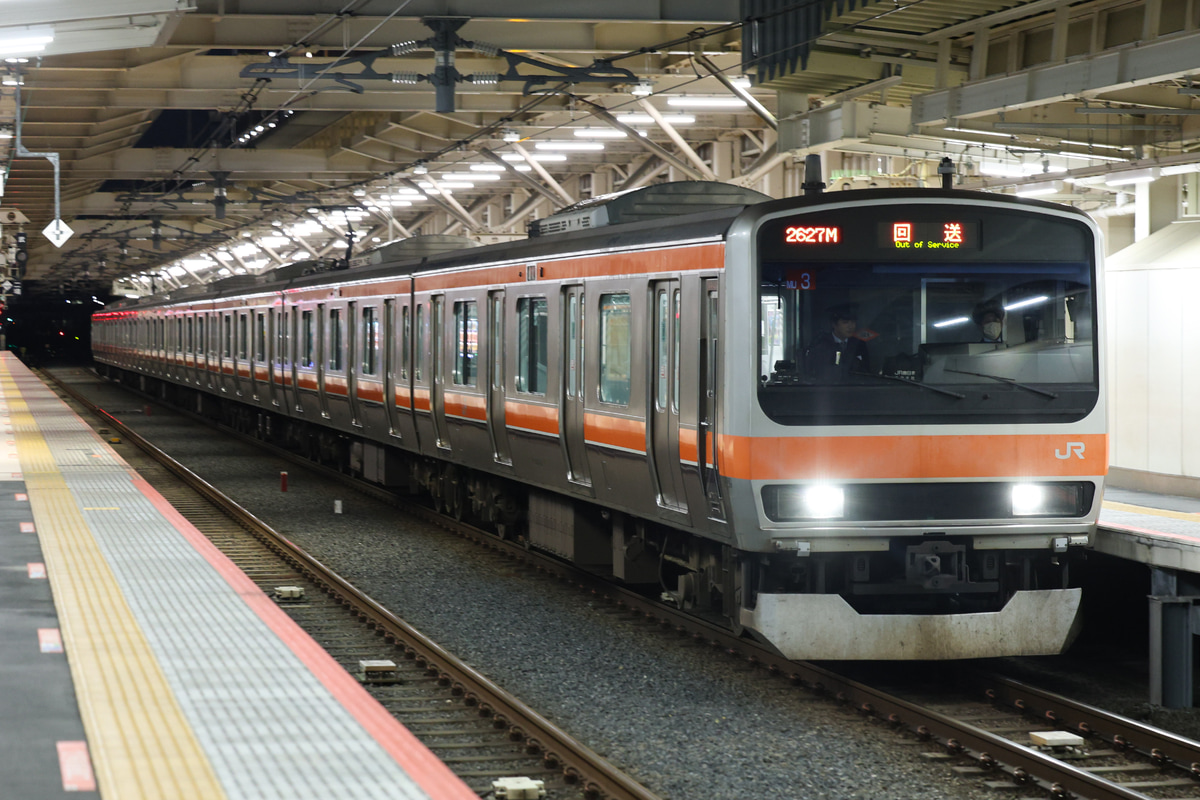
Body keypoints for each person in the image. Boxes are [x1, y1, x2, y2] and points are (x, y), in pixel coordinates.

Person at [806, 304, 870, 381]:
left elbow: (865, 371)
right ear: (834, 324)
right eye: (845, 322)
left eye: (853, 322)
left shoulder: (859, 344)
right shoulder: (820, 344)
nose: (850, 326)